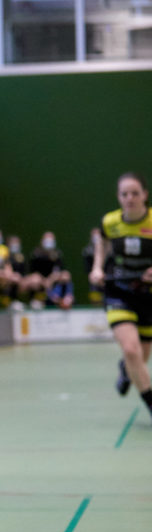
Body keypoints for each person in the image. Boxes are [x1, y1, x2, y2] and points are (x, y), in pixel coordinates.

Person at [89, 172, 152, 418]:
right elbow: (102, 245)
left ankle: (125, 372)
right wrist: (96, 268)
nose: (130, 198)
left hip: (148, 296)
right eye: (124, 194)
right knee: (131, 351)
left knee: (142, 355)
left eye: (135, 193)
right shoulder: (110, 222)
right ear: (118, 197)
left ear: (145, 195)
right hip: (119, 292)